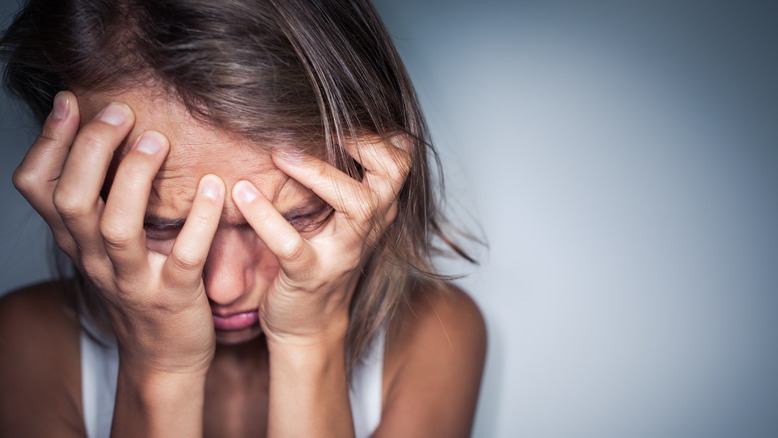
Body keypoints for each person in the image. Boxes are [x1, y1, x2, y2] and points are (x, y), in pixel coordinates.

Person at [0, 0, 486, 436]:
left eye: (295, 217)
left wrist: (309, 343)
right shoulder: (26, 347)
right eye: (161, 224)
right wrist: (160, 370)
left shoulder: (434, 334)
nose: (225, 286)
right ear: (76, 190)